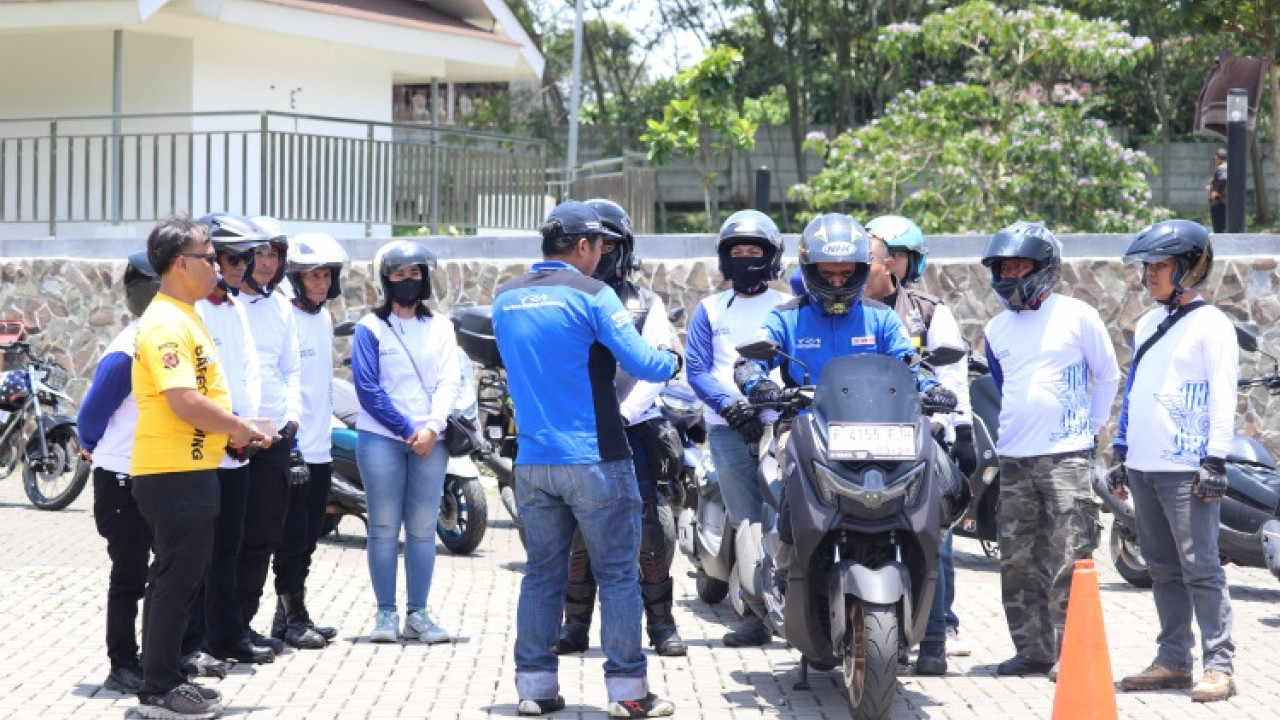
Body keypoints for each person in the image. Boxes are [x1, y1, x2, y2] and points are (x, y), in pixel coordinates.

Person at [493, 200, 680, 718]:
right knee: (618, 575)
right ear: (581, 246)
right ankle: (628, 695)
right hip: (596, 457)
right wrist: (675, 359)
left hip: (532, 460)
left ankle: (533, 690)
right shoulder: (594, 294)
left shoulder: (504, 298)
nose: (603, 256)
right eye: (600, 246)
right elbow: (643, 362)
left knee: (541, 575)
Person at [733, 213, 958, 594]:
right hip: (808, 430)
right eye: (826, 274)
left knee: (935, 488)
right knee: (786, 482)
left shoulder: (882, 318)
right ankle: (785, 565)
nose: (836, 282)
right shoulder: (786, 318)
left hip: (881, 433)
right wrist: (756, 383)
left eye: (846, 273)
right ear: (809, 271)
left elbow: (910, 364)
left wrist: (932, 386)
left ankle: (926, 592)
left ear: (861, 270)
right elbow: (750, 361)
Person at [129, 215, 265, 719]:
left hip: (188, 470)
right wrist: (236, 428)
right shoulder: (166, 322)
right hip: (172, 474)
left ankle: (166, 679)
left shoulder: (186, 315)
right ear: (182, 263)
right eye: (209, 257)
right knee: (173, 579)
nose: (217, 265)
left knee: (180, 577)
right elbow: (183, 399)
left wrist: (235, 429)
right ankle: (160, 688)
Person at [980, 221, 1120, 677]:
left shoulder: (1077, 316)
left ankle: (1070, 653)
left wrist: (1091, 429)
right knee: (1017, 560)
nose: (1011, 274)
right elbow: (1004, 385)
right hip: (1014, 459)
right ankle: (1033, 650)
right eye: (1004, 267)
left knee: (1069, 558)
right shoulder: (995, 328)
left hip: (1067, 458)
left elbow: (1109, 374)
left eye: (1020, 265)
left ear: (1044, 268)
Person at [551, 198, 687, 658]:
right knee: (577, 533)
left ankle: (662, 624)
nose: (602, 250)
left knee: (648, 530)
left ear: (624, 247)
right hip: (576, 433)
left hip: (632, 430)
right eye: (596, 241)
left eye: (611, 242)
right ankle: (575, 624)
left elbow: (657, 366)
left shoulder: (647, 303)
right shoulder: (564, 299)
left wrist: (621, 415)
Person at [1109, 219, 1238, 703]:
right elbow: (1135, 390)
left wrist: (1216, 461)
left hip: (1188, 469)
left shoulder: (1212, 326)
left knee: (1200, 568)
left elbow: (1223, 400)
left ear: (1190, 268)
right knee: (1161, 568)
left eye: (1160, 265)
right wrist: (1121, 451)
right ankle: (1172, 660)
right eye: (1147, 267)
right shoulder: (1147, 323)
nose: (1150, 275)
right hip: (1144, 466)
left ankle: (1220, 665)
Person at [865, 215, 974, 674]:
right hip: (862, 440)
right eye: (883, 253)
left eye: (900, 255)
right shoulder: (846, 307)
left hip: (922, 437)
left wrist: (957, 426)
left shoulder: (927, 310)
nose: (893, 262)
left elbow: (952, 375)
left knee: (935, 534)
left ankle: (935, 634)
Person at [684, 209, 788, 648]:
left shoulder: (787, 306)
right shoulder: (709, 309)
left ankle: (793, 604)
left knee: (780, 516)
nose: (746, 258)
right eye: (737, 251)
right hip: (727, 430)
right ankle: (754, 614)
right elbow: (696, 368)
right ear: (725, 258)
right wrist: (730, 408)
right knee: (746, 518)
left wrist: (767, 409)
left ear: (770, 257)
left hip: (778, 425)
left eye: (755, 251)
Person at [351, 240, 461, 644]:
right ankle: (384, 615)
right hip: (382, 438)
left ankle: (418, 613)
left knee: (420, 529)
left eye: (415, 273)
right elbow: (367, 388)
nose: (408, 281)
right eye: (399, 274)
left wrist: (432, 428)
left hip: (432, 440)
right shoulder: (370, 327)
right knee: (382, 528)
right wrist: (407, 430)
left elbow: (452, 380)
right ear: (386, 280)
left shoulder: (442, 327)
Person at [187, 214, 274, 667]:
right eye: (232, 257)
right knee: (199, 551)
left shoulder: (236, 306)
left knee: (230, 546)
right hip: (203, 449)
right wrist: (226, 426)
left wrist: (250, 425)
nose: (242, 266)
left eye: (247, 256)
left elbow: (249, 371)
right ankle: (193, 642)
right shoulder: (194, 309)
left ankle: (224, 634)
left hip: (238, 447)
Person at [79, 251, 161, 695]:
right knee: (129, 572)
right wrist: (90, 445)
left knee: (163, 570)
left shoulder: (167, 341)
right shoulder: (126, 352)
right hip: (122, 478)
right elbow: (90, 417)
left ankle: (161, 655)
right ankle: (122, 663)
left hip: (157, 473)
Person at [269, 233, 348, 650]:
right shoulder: (283, 316)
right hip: (293, 448)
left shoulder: (324, 319)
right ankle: (295, 619)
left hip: (321, 447)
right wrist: (291, 444)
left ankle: (287, 619)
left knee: (309, 537)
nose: (320, 283)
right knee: (290, 537)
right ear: (296, 279)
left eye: (326, 276)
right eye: (312, 275)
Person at [234, 216, 301, 657]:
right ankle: (209, 630)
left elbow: (290, 369)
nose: (264, 262)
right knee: (224, 540)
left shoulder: (281, 305)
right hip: (232, 439)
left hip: (274, 439)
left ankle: (242, 625)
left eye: (273, 253)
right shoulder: (218, 304)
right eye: (257, 253)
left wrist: (291, 418)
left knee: (262, 536)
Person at [1207, 148, 1227, 233]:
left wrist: (1216, 192)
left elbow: (1223, 179)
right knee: (1222, 227)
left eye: (1216, 157)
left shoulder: (1222, 168)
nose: (1215, 159)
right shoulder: (1227, 167)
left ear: (1218, 158)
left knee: (1218, 229)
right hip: (1222, 203)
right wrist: (1211, 188)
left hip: (1218, 203)